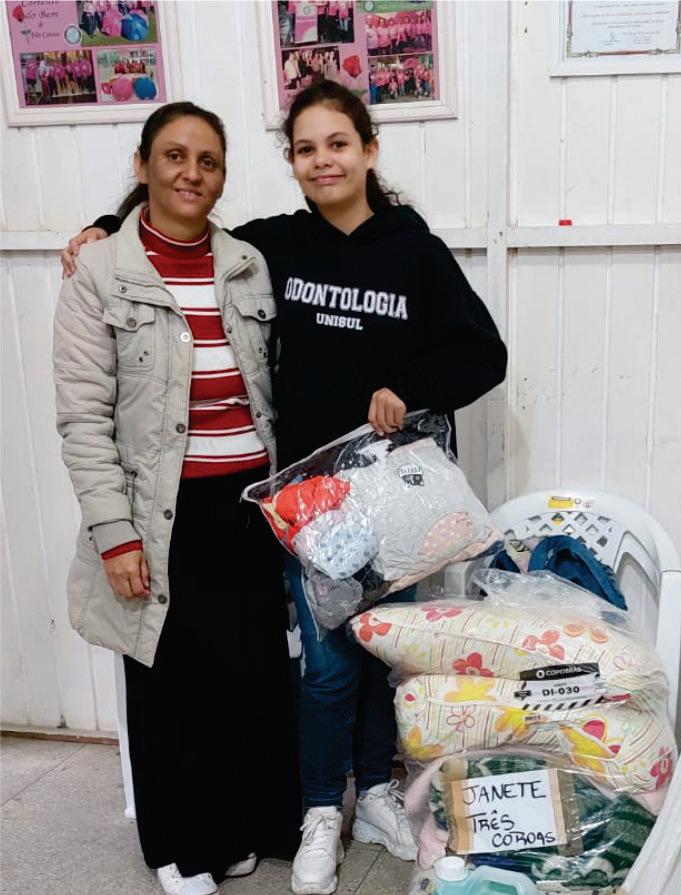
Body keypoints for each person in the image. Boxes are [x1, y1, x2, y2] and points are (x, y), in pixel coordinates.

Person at [61, 80, 507, 895]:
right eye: (306, 148)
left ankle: (374, 792)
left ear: (369, 151)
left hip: (397, 500)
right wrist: (105, 223)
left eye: (338, 143)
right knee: (328, 666)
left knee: (383, 656)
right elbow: (179, 217)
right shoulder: (275, 245)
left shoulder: (416, 249)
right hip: (310, 505)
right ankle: (319, 810)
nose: (322, 160)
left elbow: (485, 354)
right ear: (292, 163)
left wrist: (410, 389)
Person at [54, 101, 301, 895]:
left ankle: (236, 826)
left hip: (248, 508)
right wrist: (115, 533)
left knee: (246, 674)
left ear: (222, 177)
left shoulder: (248, 263)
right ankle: (178, 845)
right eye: (173, 156)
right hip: (159, 514)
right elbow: (82, 416)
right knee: (168, 682)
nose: (191, 173)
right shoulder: (100, 272)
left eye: (208, 161)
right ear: (142, 165)